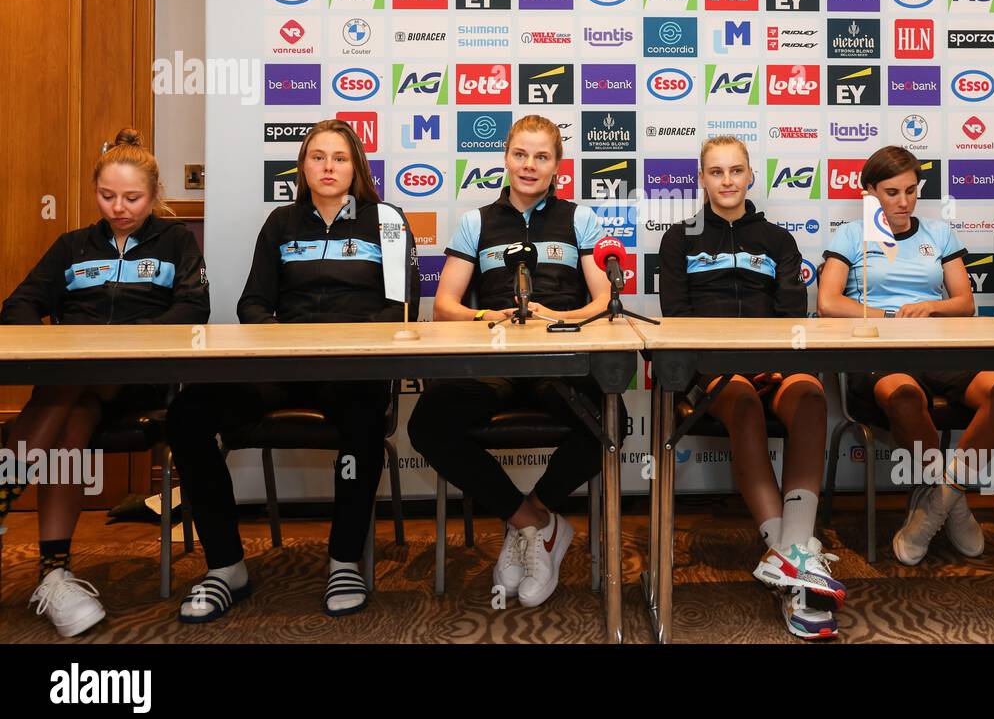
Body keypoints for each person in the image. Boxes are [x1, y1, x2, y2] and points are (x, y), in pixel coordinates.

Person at [166, 119, 417, 623]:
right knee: (189, 414)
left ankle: (345, 561)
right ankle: (226, 567)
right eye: (318, 157)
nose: (328, 167)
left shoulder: (387, 220)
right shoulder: (281, 223)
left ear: (357, 167)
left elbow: (402, 306)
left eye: (340, 158)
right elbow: (252, 305)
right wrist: (288, 338)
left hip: (353, 367)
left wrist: (344, 340)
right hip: (284, 362)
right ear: (302, 166)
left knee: (364, 421)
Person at [406, 114, 626, 609]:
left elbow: (602, 300)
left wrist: (560, 316)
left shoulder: (580, 219)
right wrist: (489, 313)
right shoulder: (476, 221)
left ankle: (529, 518)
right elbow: (445, 307)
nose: (530, 165)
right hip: (495, 359)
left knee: (613, 422)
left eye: (541, 157)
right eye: (520, 155)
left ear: (557, 166)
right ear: (506, 158)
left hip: (560, 360)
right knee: (428, 425)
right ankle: (535, 525)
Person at [0, 128, 209, 636]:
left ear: (155, 196)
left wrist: (130, 340)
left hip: (141, 383)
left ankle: (3, 493)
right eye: (107, 196)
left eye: (133, 198)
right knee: (72, 419)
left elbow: (193, 307)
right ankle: (55, 576)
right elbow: (18, 306)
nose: (119, 208)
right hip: (77, 386)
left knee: (70, 391)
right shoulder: (72, 246)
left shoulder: (177, 241)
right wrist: (57, 346)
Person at [658, 135, 842, 640]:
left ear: (749, 176)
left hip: (774, 363)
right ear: (702, 179)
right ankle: (793, 557)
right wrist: (728, 361)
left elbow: (790, 314)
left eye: (735, 171)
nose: (727, 181)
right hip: (713, 371)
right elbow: (676, 319)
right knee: (742, 404)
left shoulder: (778, 240)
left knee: (809, 397)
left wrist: (776, 362)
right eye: (716, 172)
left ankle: (792, 551)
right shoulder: (678, 239)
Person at [818, 145, 994, 567]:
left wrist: (932, 307)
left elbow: (964, 302)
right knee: (905, 395)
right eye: (892, 192)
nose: (904, 201)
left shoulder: (939, 233)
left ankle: (939, 500)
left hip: (937, 345)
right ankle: (949, 505)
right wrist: (888, 314)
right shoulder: (851, 235)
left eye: (911, 190)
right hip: (877, 348)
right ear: (869, 191)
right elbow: (829, 302)